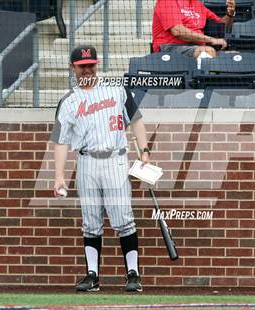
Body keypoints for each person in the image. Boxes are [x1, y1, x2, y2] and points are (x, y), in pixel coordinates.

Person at [50, 45, 150, 292]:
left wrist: (145, 151)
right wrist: (59, 176)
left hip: (115, 159)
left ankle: (133, 274)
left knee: (124, 219)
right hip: (86, 162)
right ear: (73, 68)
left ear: (98, 65)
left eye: (91, 65)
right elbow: (60, 141)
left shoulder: (117, 90)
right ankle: (92, 275)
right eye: (82, 66)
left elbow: (136, 121)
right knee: (91, 222)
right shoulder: (69, 101)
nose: (87, 69)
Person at [152, 0, 236, 58]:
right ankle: (203, 83)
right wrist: (211, 40)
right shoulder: (167, 1)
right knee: (206, 51)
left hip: (196, 47)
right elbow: (178, 31)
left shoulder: (197, 4)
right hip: (170, 48)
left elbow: (222, 26)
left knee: (234, 56)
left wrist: (230, 14)